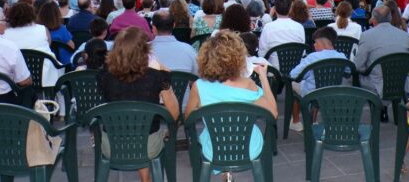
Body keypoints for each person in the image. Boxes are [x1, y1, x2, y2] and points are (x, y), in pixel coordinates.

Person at [184, 31, 277, 174]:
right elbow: (273, 113)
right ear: (238, 58)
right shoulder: (248, 84)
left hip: (214, 149)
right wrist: (263, 77)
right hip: (248, 148)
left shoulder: (199, 86)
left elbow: (188, 119)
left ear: (206, 57)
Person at [97, 26, 179, 182]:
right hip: (147, 145)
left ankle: (145, 178)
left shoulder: (103, 76)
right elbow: (174, 115)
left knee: (137, 127)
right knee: (146, 130)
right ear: (145, 51)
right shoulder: (157, 77)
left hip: (112, 145)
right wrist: (166, 78)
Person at [287, 27, 348, 131]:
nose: (314, 45)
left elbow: (293, 75)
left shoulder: (312, 57)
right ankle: (314, 121)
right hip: (333, 91)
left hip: (312, 93)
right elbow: (348, 71)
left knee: (293, 85)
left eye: (315, 42)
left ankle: (295, 121)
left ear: (321, 43)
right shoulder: (341, 56)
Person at [353, 5, 409, 97]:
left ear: (374, 20)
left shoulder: (366, 36)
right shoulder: (405, 36)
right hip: (401, 83)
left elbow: (358, 66)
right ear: (390, 18)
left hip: (377, 86)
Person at [4, 2, 61, 87]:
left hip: (16, 78)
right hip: (44, 75)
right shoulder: (42, 29)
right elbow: (48, 45)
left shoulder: (5, 33)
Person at [258, 0, 305, 68]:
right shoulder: (299, 27)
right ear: (290, 9)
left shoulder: (268, 28)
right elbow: (302, 53)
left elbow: (261, 54)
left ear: (275, 9)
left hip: (273, 72)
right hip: (295, 72)